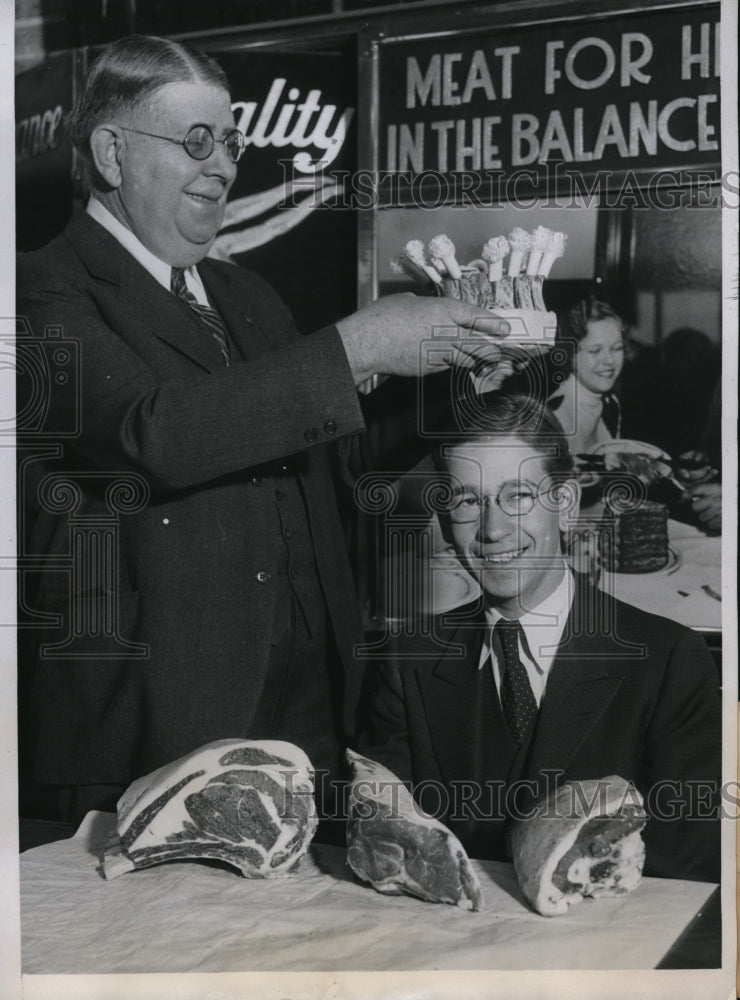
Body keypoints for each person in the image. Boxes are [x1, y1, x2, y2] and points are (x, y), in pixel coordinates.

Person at [16, 34, 511, 827]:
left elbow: (332, 466)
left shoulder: (249, 296)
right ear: (111, 153)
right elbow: (155, 433)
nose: (224, 165)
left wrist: (456, 383)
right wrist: (359, 344)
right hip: (154, 732)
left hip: (309, 711)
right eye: (197, 141)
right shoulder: (40, 290)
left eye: (232, 142)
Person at [359, 393, 721, 882]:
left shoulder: (668, 663)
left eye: (518, 496)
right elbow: (387, 849)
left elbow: (685, 870)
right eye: (469, 500)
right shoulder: (407, 662)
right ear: (444, 520)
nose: (493, 530)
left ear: (566, 505)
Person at [548, 299, 625, 456]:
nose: (609, 360)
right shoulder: (554, 416)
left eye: (617, 348)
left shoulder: (611, 404)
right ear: (570, 355)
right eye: (595, 351)